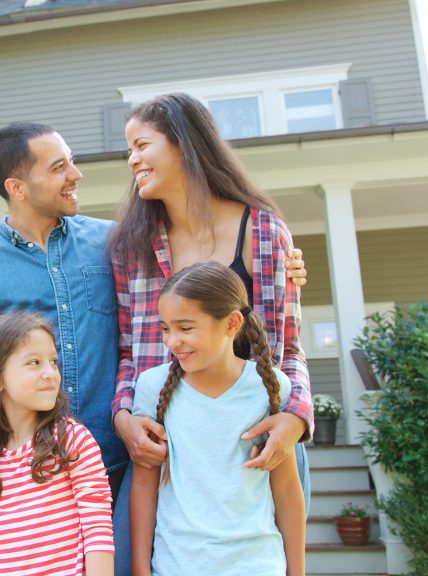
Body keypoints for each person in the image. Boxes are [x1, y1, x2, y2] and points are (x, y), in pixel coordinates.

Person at [0, 122, 305, 574]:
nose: (76, 174)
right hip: (24, 471)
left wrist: (282, 263)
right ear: (17, 187)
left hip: (116, 451)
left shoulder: (116, 240)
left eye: (71, 160)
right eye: (59, 167)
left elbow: (189, 281)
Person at [109, 94, 313, 510]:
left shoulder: (263, 232)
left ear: (183, 142)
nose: (132, 160)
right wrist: (124, 418)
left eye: (141, 145)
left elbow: (287, 348)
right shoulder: (132, 248)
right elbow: (130, 353)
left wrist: (296, 417)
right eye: (129, 150)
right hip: (169, 455)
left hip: (254, 451)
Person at [130, 262, 305, 576]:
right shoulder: (151, 387)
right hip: (177, 566)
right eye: (166, 328)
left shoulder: (270, 386)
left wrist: (298, 571)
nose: (172, 341)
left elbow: (287, 490)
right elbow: (144, 487)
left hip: (257, 565)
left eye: (185, 328)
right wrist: (140, 570)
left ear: (231, 323)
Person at [0, 312, 114, 575]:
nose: (51, 373)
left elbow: (98, 530)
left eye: (53, 361)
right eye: (34, 362)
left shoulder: (71, 439)